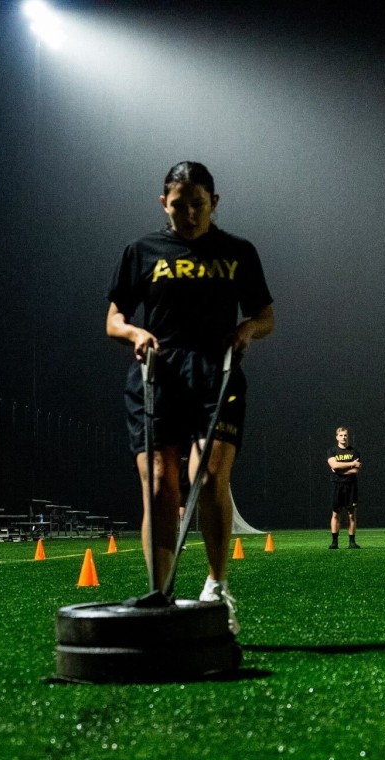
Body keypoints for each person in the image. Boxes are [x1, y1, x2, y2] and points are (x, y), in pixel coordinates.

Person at [105, 162, 275, 632]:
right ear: (164, 203)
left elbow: (265, 315)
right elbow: (113, 320)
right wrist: (135, 333)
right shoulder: (141, 251)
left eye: (198, 204)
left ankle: (217, 587)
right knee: (160, 483)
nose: (189, 214)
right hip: (158, 373)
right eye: (179, 205)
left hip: (215, 371)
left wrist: (247, 330)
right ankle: (160, 593)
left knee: (209, 475)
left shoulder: (237, 252)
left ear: (214, 203)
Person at [327, 426, 361, 549]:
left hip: (351, 485)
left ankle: (352, 542)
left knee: (351, 514)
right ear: (337, 437)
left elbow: (355, 471)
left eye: (345, 435)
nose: (343, 437)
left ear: (348, 436)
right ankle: (334, 542)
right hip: (337, 485)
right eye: (341, 435)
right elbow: (334, 465)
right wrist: (351, 464)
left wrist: (338, 469)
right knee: (336, 513)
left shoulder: (354, 451)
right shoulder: (332, 451)